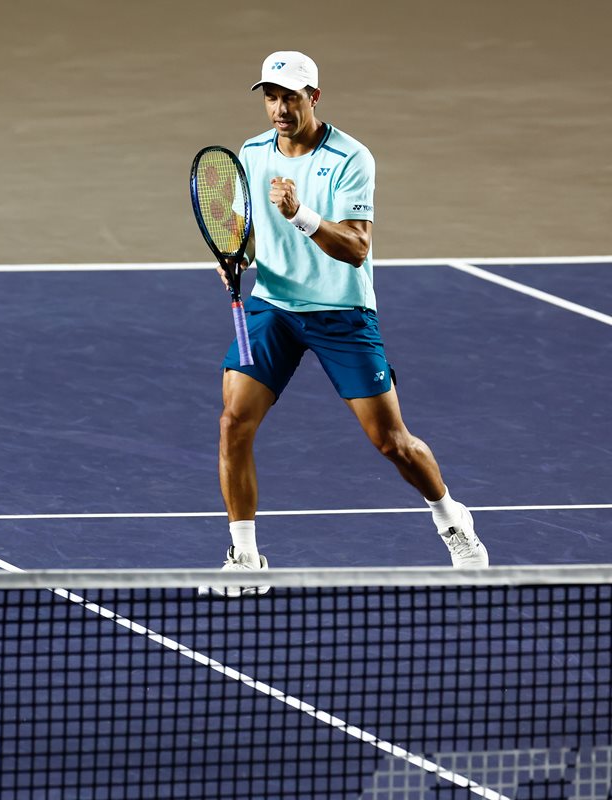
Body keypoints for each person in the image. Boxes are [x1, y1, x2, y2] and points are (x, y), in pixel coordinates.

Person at [203, 52, 488, 597]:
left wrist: (299, 214)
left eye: (291, 97)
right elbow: (247, 233)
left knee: (391, 442)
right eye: (271, 97)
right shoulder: (252, 153)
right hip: (274, 307)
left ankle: (452, 520)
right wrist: (237, 257)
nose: (280, 109)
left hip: (341, 312)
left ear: (314, 97)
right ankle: (246, 558)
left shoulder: (351, 157)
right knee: (233, 422)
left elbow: (356, 248)